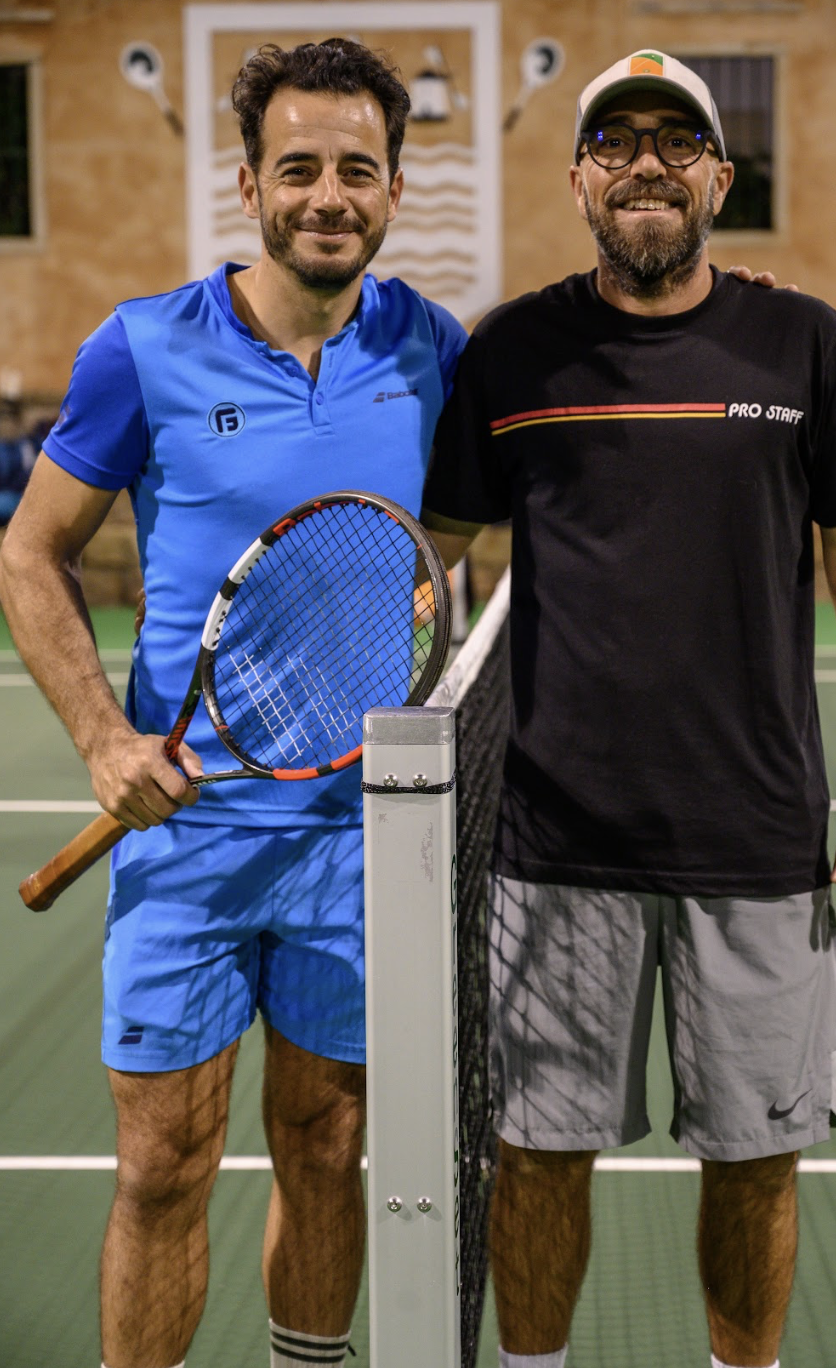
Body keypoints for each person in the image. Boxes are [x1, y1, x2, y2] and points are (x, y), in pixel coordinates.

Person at [421, 49, 836, 1368]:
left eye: (674, 139)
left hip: (754, 841)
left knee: (756, 1164)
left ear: (718, 176)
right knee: (535, 1156)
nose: (644, 161)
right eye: (614, 140)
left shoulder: (801, 340)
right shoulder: (510, 351)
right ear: (578, 178)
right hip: (552, 846)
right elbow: (433, 554)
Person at [0, 39, 468, 1368]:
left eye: (358, 170)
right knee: (162, 1164)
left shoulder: (432, 348)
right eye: (298, 167)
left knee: (326, 1144)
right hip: (184, 835)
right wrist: (103, 739)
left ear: (394, 189)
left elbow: (453, 524)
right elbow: (29, 551)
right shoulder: (143, 347)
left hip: (359, 839)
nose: (329, 195)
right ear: (251, 182)